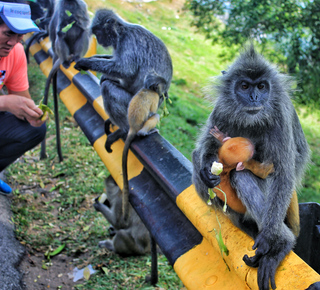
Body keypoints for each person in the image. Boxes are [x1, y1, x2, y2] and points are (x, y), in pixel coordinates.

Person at [0, 0, 47, 194]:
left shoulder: (15, 52)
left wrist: (31, 114)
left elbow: (23, 101)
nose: (14, 42)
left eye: (20, 35)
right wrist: (5, 102)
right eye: (8, 33)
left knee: (33, 130)